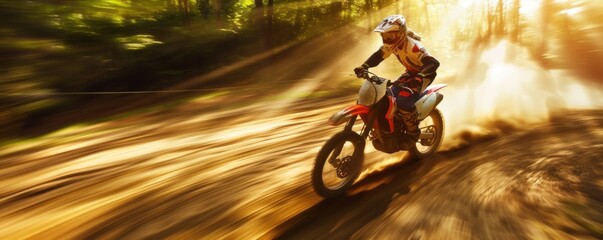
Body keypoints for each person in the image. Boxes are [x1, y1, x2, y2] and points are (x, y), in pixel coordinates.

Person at [354, 14, 440, 140]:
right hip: (411, 72)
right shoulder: (391, 45)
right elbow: (379, 56)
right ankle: (393, 126)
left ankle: (413, 132)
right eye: (385, 36)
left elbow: (434, 63)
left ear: (401, 33)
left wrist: (420, 76)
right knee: (389, 96)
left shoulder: (414, 47)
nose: (387, 39)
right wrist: (364, 66)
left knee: (403, 100)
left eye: (391, 35)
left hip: (426, 74)